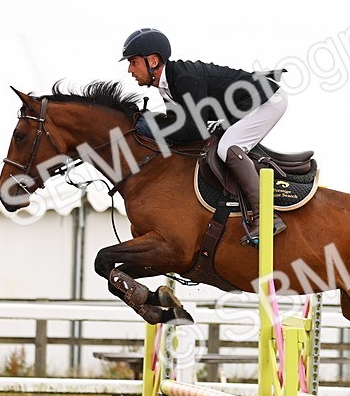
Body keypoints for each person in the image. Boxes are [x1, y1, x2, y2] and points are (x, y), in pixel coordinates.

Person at [120, 27, 286, 244]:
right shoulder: (167, 85)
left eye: (133, 62)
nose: (130, 70)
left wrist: (152, 126)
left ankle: (265, 217)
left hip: (267, 101)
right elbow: (181, 129)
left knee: (228, 148)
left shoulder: (183, 77)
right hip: (245, 106)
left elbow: (193, 130)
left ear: (152, 61)